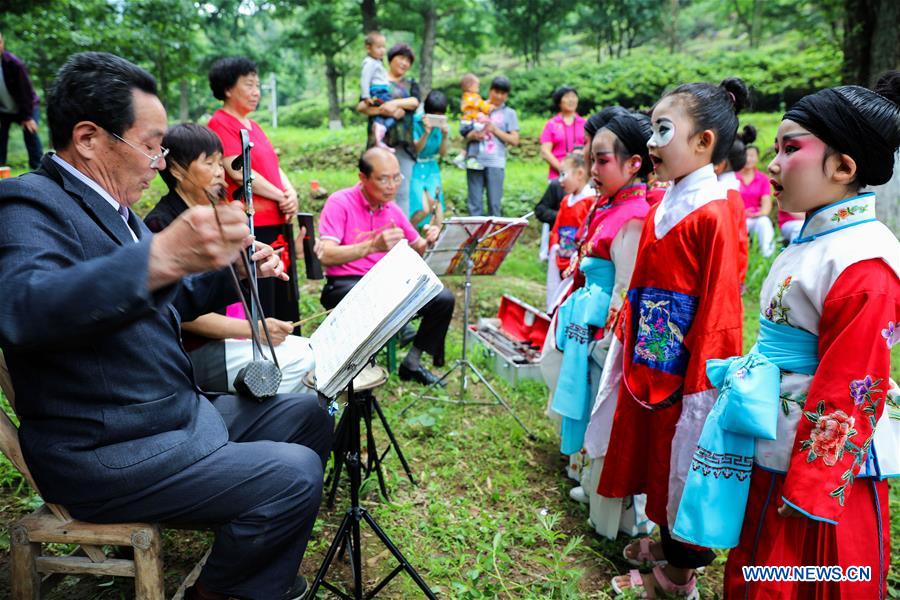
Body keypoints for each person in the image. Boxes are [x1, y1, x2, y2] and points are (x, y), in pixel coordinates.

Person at [0, 52, 332, 600]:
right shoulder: (27, 204)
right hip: (109, 451)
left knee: (307, 414)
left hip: (170, 418)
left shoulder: (117, 210)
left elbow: (161, 301)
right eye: (152, 145)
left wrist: (231, 270)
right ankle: (222, 592)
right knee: (292, 473)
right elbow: (24, 309)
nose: (159, 163)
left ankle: (251, 560)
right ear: (88, 138)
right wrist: (161, 256)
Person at [721, 80, 900, 599]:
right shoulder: (819, 239)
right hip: (780, 437)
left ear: (843, 167)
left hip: (818, 472)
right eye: (775, 149)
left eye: (790, 148)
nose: (773, 165)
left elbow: (852, 384)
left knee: (804, 575)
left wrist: (811, 487)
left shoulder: (864, 263)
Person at [600, 78, 750, 598]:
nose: (651, 142)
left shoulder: (715, 210)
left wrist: (703, 383)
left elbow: (721, 307)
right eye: (652, 129)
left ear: (704, 142)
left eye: (663, 130)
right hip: (651, 360)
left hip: (686, 367)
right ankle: (665, 545)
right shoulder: (666, 202)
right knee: (657, 456)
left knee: (681, 458)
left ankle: (678, 576)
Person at [144, 123, 314, 395]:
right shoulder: (160, 224)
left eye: (219, 163)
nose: (218, 172)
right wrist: (253, 329)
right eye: (208, 163)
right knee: (304, 363)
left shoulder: (219, 215)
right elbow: (177, 308)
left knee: (313, 350)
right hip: (192, 350)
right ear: (176, 169)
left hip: (232, 338)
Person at [317, 148, 455, 386]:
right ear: (363, 177)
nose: (392, 186)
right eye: (383, 179)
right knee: (379, 302)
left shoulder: (392, 209)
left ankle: (412, 363)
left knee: (443, 298)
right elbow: (326, 255)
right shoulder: (340, 202)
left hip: (386, 284)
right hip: (346, 283)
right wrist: (372, 246)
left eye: (396, 178)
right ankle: (355, 372)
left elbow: (419, 247)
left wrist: (432, 239)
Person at [207, 56, 301, 326]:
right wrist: (280, 195)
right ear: (228, 89)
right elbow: (238, 171)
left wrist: (290, 192)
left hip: (277, 222)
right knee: (264, 295)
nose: (256, 92)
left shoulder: (254, 126)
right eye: (249, 85)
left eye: (257, 86)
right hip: (253, 224)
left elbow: (274, 167)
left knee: (283, 294)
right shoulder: (220, 123)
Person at [356, 43, 420, 216]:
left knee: (402, 191)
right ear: (391, 59)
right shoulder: (377, 79)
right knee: (376, 191)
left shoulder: (411, 84)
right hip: (379, 145)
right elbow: (362, 106)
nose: (404, 63)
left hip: (403, 145)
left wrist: (394, 103)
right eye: (401, 58)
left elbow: (415, 102)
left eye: (408, 61)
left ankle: (400, 230)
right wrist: (384, 110)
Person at [463, 76, 519, 217]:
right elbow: (464, 133)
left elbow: (514, 140)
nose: (499, 96)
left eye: (503, 93)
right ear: (490, 91)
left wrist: (495, 130)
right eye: (496, 92)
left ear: (507, 95)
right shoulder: (477, 107)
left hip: (496, 163)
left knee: (494, 204)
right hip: (475, 160)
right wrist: (472, 135)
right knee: (474, 204)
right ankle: (475, 232)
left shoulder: (510, 113)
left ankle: (494, 232)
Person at [546, 152, 593, 310]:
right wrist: (554, 246)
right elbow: (556, 229)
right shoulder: (566, 201)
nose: (560, 181)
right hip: (561, 256)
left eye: (563, 174)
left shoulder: (591, 200)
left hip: (577, 261)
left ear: (579, 173)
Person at [0, 31, 43, 170]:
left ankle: (38, 168)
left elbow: (26, 91)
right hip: (4, 110)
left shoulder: (14, 63)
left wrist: (27, 117)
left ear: (2, 44)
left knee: (30, 132)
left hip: (26, 106)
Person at [409, 90, 450, 231]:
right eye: (434, 115)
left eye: (440, 115)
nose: (437, 118)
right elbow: (416, 149)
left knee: (436, 204)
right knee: (423, 208)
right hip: (415, 166)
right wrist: (426, 133)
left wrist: (445, 136)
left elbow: (442, 153)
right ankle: (407, 233)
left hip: (431, 167)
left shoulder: (442, 126)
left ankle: (438, 237)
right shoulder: (416, 122)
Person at [540, 86, 586, 181]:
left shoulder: (585, 123)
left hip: (581, 175)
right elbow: (545, 152)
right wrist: (563, 170)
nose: (571, 100)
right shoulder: (552, 124)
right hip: (557, 176)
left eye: (573, 97)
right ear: (559, 101)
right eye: (567, 97)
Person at [359, 31, 395, 150]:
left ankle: (380, 132)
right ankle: (381, 128)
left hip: (382, 91)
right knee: (393, 112)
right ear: (368, 48)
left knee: (387, 113)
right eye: (378, 47)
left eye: (383, 47)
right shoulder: (369, 63)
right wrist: (366, 96)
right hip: (378, 92)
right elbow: (365, 80)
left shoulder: (377, 62)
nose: (382, 50)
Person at [739, 143, 776, 257]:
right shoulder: (733, 177)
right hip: (737, 217)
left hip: (756, 217)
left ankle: (767, 256)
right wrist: (741, 213)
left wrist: (760, 213)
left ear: (757, 158)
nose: (748, 159)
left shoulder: (763, 178)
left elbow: (766, 202)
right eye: (745, 155)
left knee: (764, 222)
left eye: (752, 155)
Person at [452, 73, 495, 170]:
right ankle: (472, 159)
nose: (478, 88)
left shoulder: (465, 97)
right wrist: (490, 107)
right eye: (477, 86)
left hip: (464, 124)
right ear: (470, 86)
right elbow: (482, 106)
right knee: (477, 138)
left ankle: (460, 157)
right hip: (470, 124)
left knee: (470, 142)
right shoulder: (474, 97)